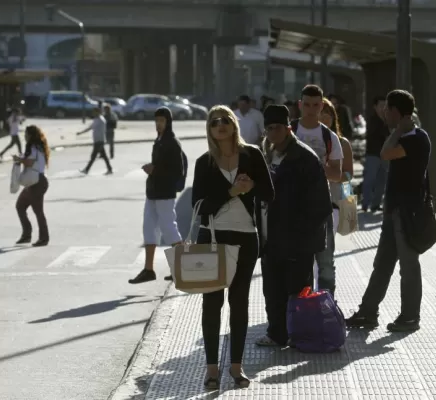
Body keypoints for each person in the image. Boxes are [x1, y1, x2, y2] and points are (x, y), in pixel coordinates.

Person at [193, 105, 274, 389]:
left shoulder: (252, 155)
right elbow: (200, 207)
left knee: (239, 302)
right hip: (213, 237)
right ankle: (212, 370)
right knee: (212, 303)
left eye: (225, 119)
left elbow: (270, 193)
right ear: (209, 129)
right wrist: (232, 192)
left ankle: (237, 368)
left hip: (245, 237)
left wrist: (250, 187)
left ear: (233, 123)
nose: (220, 125)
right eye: (214, 122)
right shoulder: (205, 162)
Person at [346, 89, 430, 332]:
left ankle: (410, 316)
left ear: (395, 112)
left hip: (408, 213)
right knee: (382, 263)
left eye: (387, 109)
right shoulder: (404, 136)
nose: (383, 112)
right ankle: (368, 312)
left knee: (408, 266)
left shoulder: (416, 138)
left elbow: (385, 154)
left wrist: (398, 131)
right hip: (393, 212)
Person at [256, 105, 332, 347]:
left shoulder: (304, 157)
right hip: (271, 237)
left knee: (297, 291)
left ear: (288, 128)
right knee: (272, 290)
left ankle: (301, 334)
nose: (272, 133)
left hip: (296, 240)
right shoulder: (267, 155)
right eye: (269, 128)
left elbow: (321, 205)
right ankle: (277, 334)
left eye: (277, 127)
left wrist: (301, 236)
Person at [292, 84, 343, 296]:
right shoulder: (288, 132)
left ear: (321, 106)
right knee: (295, 262)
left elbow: (338, 174)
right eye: (307, 104)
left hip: (322, 209)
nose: (311, 109)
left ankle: (326, 305)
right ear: (300, 104)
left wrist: (315, 165)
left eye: (315, 105)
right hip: (292, 208)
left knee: (326, 262)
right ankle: (296, 305)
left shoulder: (330, 137)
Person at [129, 107, 184, 284]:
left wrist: (156, 170)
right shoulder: (159, 141)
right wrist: (153, 170)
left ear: (168, 122)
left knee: (169, 228)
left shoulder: (172, 142)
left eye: (161, 121)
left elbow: (178, 171)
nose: (158, 124)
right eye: (156, 121)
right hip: (153, 192)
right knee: (149, 228)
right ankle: (148, 269)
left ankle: (181, 268)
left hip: (165, 193)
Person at [321, 97, 354, 233]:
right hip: (311, 198)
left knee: (329, 242)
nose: (325, 118)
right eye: (321, 114)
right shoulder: (303, 142)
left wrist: (333, 175)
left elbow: (349, 174)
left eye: (329, 114)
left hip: (336, 198)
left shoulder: (342, 143)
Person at [14, 125, 50, 247]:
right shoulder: (37, 147)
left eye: (26, 134)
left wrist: (20, 160)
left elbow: (30, 162)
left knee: (38, 211)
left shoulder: (34, 147)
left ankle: (43, 238)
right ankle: (27, 234)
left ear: (31, 135)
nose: (24, 136)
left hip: (37, 182)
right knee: (20, 206)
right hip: (34, 181)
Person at [361, 96, 390, 212]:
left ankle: (376, 204)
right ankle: (365, 204)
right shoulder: (372, 120)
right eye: (381, 105)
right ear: (375, 107)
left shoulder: (388, 120)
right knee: (370, 179)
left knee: (382, 180)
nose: (383, 108)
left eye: (385, 106)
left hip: (385, 155)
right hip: (373, 153)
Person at [76, 107, 113, 175]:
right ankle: (110, 169)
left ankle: (86, 170)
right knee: (104, 156)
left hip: (99, 141)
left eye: (94, 112)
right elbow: (91, 127)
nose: (93, 113)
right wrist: (81, 132)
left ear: (98, 112)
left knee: (93, 156)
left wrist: (81, 132)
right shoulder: (98, 119)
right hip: (98, 140)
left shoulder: (100, 120)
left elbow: (90, 128)